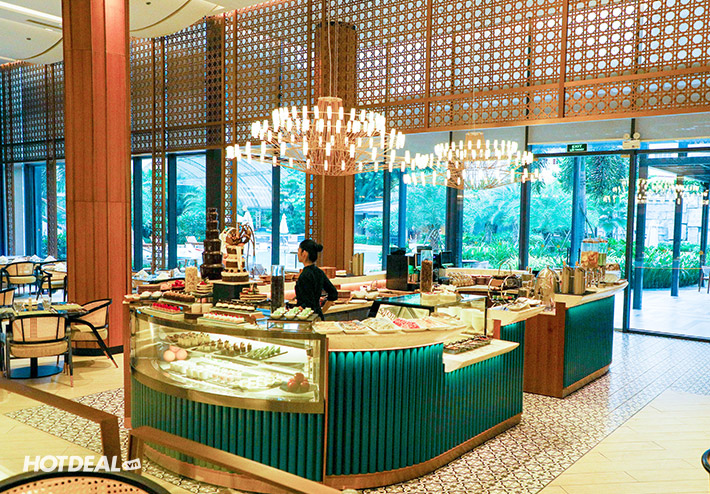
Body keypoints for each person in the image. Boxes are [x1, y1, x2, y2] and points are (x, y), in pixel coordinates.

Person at [294, 239, 338, 320]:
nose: (297, 254)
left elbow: (307, 303)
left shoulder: (304, 275)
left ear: (304, 253)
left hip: (306, 318)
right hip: (318, 316)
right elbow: (333, 293)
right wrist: (322, 311)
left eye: (298, 251)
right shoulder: (319, 272)